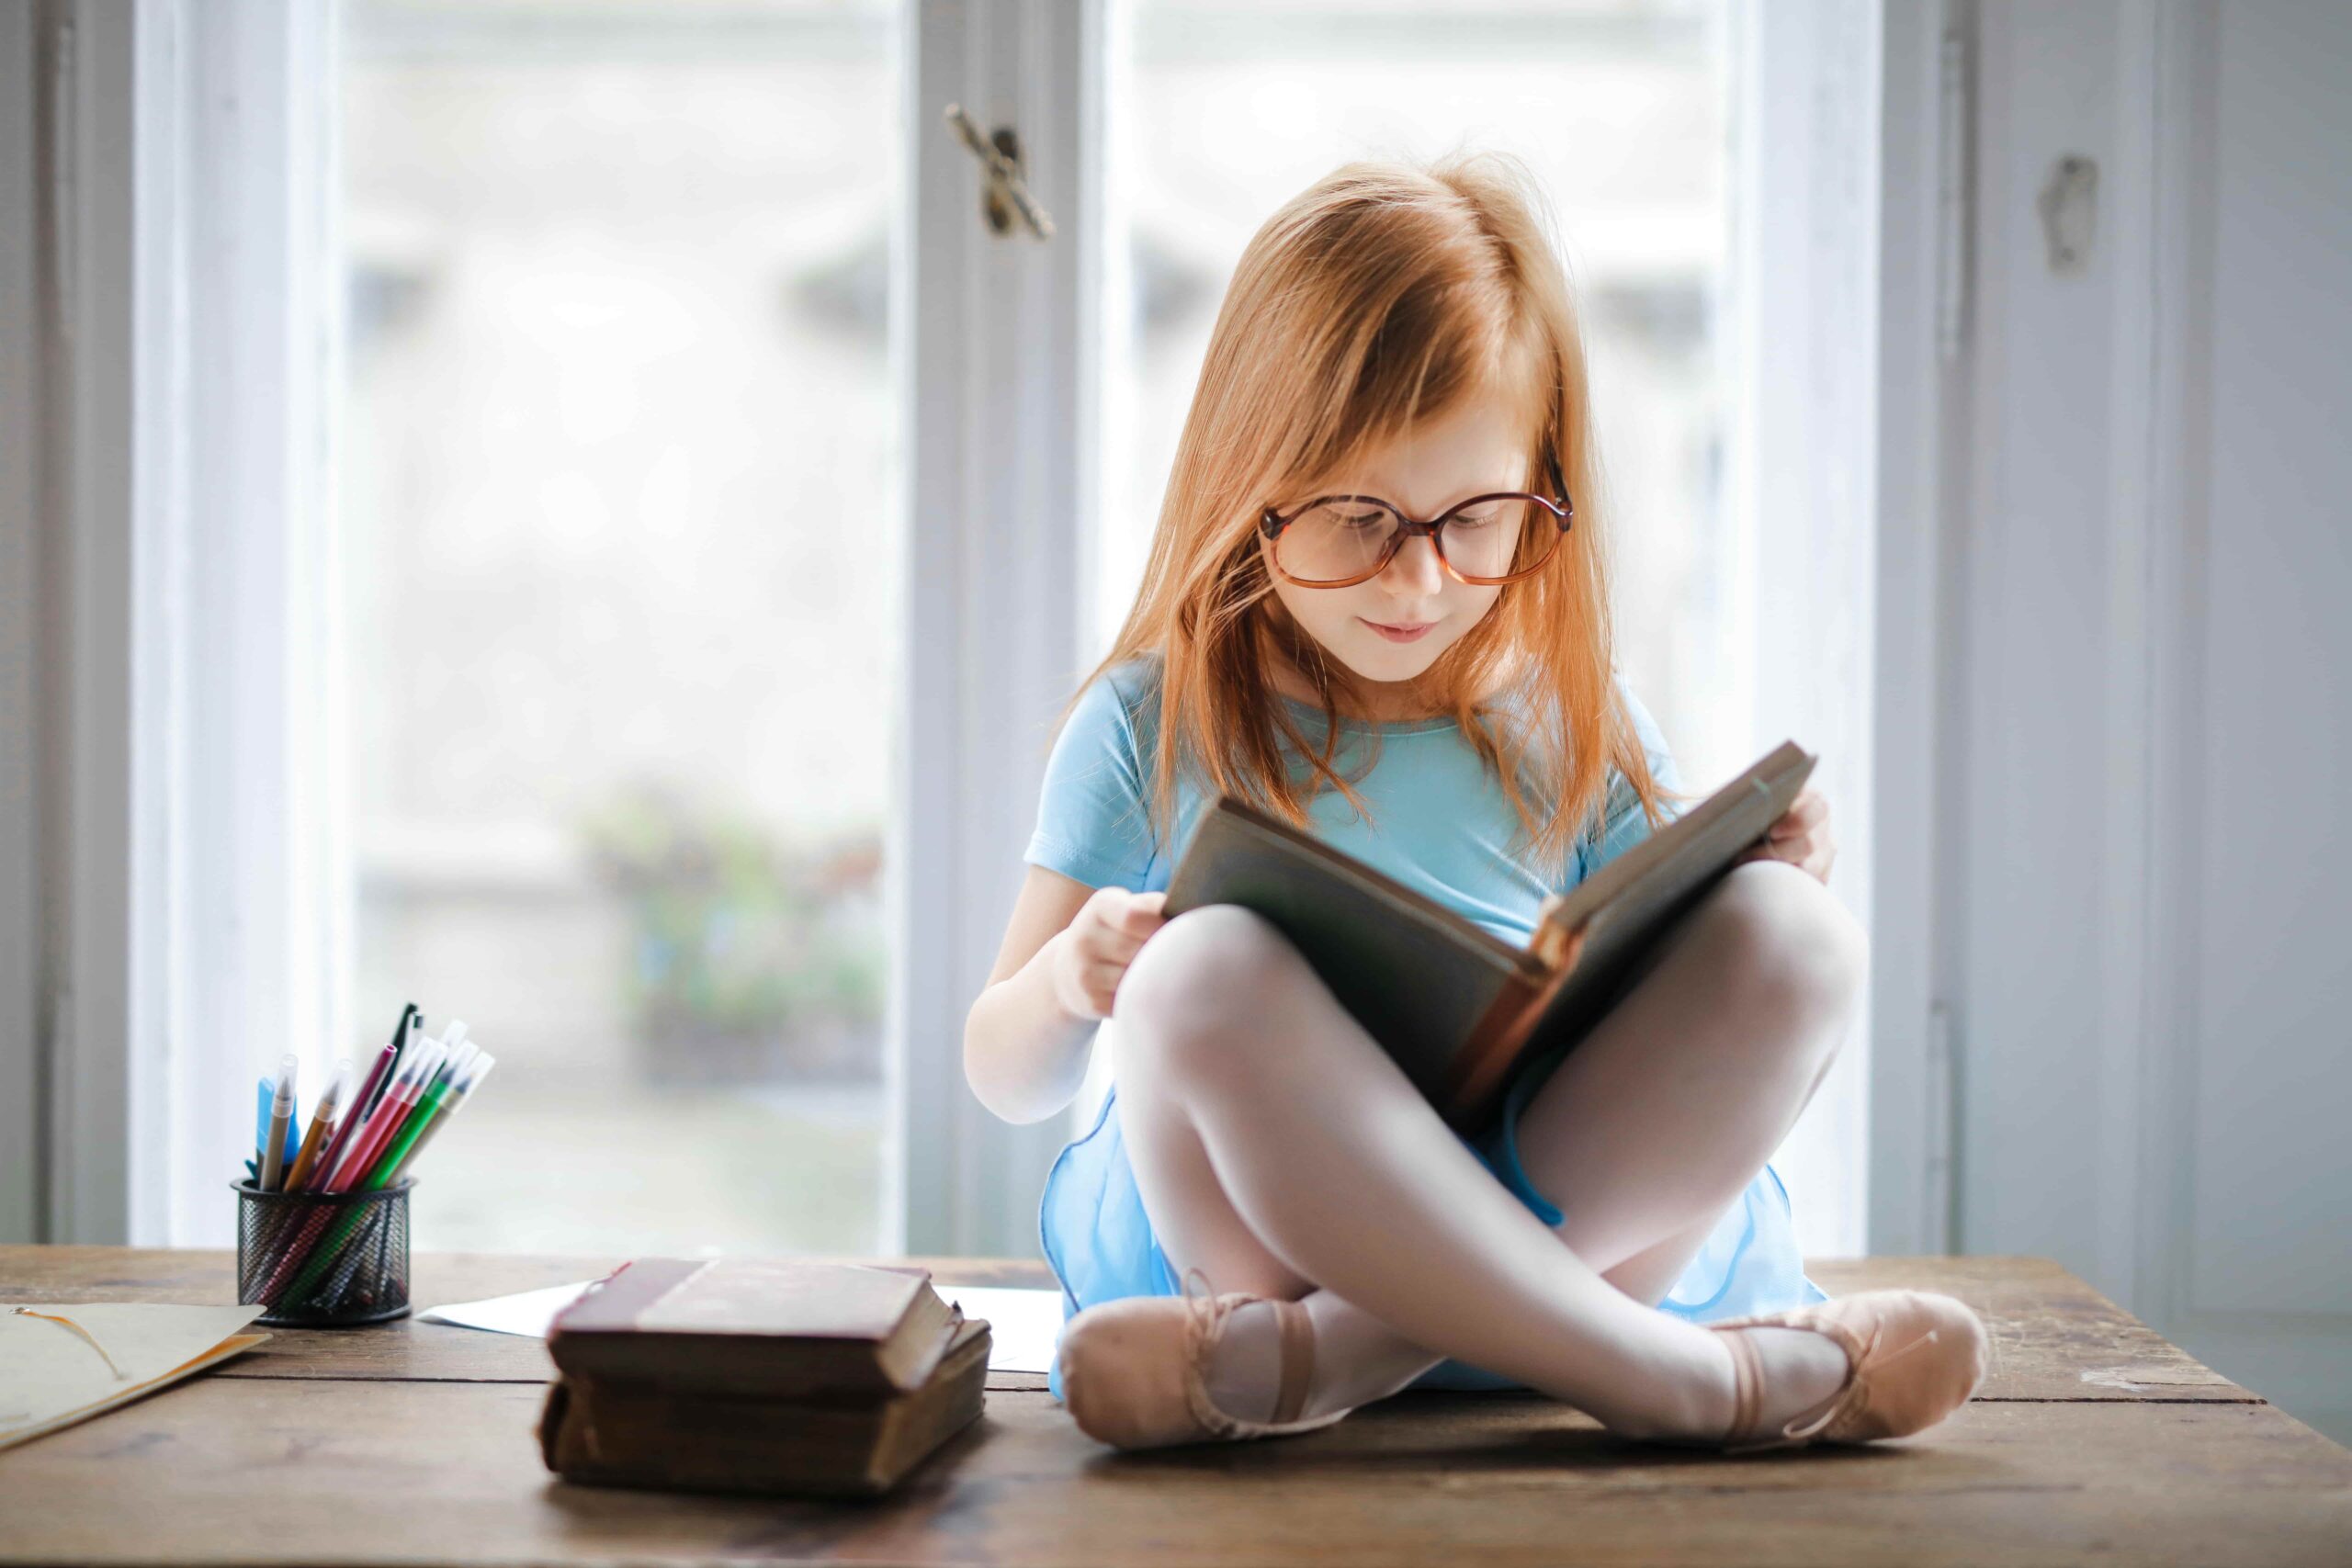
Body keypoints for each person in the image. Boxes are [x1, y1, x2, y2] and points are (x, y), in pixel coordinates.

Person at [963, 152, 1985, 1454]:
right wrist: (1070, 981)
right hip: (1260, 1253)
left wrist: (1770, 867)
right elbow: (1002, 1075)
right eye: (1354, 519)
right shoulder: (1151, 720)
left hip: (1540, 1244)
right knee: (1194, 972)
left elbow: (1692, 985)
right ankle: (1682, 1384)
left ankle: (1344, 1359)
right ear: (1248, 482)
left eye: (1478, 520)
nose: (1422, 581)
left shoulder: (1570, 713)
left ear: (1540, 490)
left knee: (1797, 935)